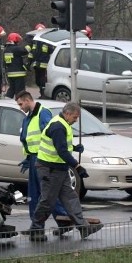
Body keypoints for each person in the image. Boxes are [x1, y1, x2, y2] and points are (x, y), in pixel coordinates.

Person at [28, 102, 104, 242]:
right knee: (47, 201)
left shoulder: (63, 124)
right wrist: (78, 166)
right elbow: (61, 151)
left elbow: (62, 146)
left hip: (59, 169)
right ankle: (36, 229)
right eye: (75, 117)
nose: (76, 120)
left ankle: (83, 227)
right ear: (67, 114)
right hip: (49, 169)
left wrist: (74, 148)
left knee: (70, 198)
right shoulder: (58, 126)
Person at [15, 91, 72, 232]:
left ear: (28, 100)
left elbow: (52, 136)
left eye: (21, 104)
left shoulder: (43, 113)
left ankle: (62, 221)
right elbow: (29, 139)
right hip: (35, 159)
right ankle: (37, 226)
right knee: (35, 195)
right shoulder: (28, 117)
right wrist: (28, 158)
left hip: (43, 160)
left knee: (47, 195)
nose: (20, 107)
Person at [28, 23, 53, 99]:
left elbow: (51, 51)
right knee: (38, 81)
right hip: (36, 65)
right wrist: (29, 63)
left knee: (43, 81)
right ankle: (41, 93)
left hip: (45, 65)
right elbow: (32, 53)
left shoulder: (47, 41)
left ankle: (44, 94)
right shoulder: (34, 42)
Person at [4, 33, 28, 99]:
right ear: (15, 40)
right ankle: (19, 104)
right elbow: (25, 51)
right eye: (17, 41)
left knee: (12, 89)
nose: (18, 42)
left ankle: (6, 102)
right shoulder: (15, 49)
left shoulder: (6, 49)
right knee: (20, 91)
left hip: (10, 74)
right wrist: (29, 43)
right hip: (18, 74)